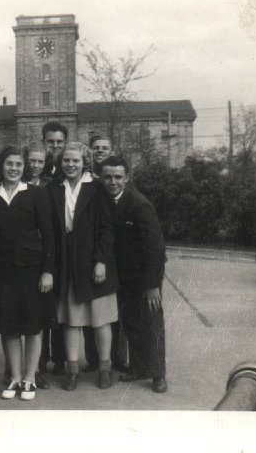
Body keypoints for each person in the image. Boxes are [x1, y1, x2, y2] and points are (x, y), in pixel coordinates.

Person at [0, 145, 56, 401]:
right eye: (9, 164)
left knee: (33, 326)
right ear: (1, 166)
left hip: (32, 270)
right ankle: (14, 378)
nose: (13, 169)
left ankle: (30, 379)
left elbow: (48, 234)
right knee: (9, 327)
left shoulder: (36, 194)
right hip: (3, 272)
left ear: (25, 168)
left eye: (18, 165)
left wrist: (48, 271)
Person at [48, 141, 118, 391]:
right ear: (60, 162)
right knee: (72, 319)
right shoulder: (54, 188)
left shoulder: (97, 187)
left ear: (84, 162)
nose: (70, 164)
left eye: (75, 160)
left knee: (100, 319)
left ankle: (105, 368)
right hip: (67, 262)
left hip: (93, 260)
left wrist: (100, 261)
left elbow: (107, 228)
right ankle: (72, 369)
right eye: (66, 160)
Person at [100, 156, 168, 393]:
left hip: (144, 278)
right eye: (107, 177)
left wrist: (152, 285)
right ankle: (139, 368)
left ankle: (159, 374)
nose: (112, 182)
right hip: (121, 277)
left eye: (118, 177)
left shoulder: (139, 204)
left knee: (151, 325)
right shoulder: (103, 201)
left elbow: (156, 248)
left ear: (126, 178)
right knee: (131, 324)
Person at [84, 135, 127, 373]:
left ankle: (117, 359)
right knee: (95, 312)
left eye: (105, 148)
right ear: (90, 152)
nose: (100, 151)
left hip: (119, 255)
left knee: (115, 314)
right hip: (101, 253)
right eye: (96, 148)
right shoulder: (91, 182)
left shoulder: (118, 175)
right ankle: (94, 360)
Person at [38, 123, 68, 377]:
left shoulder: (69, 169)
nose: (55, 146)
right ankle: (39, 360)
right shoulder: (36, 168)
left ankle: (59, 359)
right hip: (41, 246)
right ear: (43, 142)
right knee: (41, 304)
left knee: (58, 306)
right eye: (51, 142)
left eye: (59, 142)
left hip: (62, 247)